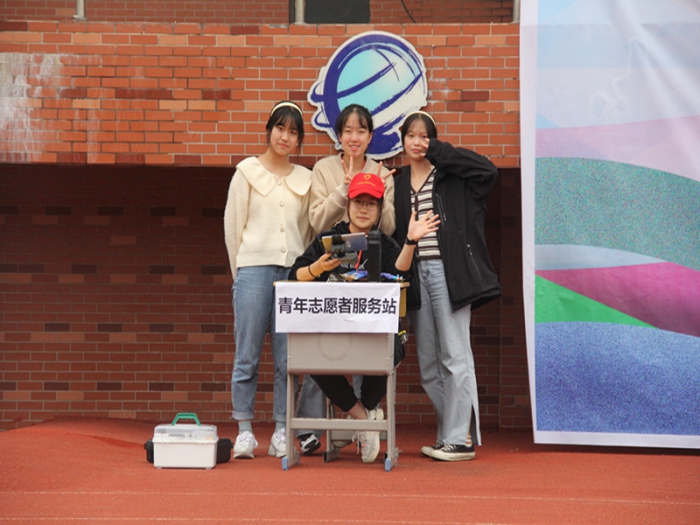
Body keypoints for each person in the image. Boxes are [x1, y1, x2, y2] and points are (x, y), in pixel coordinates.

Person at [289, 172, 440, 463]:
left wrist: (410, 241)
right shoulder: (328, 240)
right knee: (310, 356)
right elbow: (294, 275)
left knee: (390, 350)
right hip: (333, 333)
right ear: (348, 205)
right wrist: (318, 268)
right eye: (358, 202)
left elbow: (400, 274)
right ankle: (364, 419)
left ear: (380, 209)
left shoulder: (384, 243)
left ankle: (360, 417)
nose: (363, 209)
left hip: (375, 335)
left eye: (371, 204)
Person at [392, 111, 501, 462]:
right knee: (428, 366)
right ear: (402, 140)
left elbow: (488, 172)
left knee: (455, 355)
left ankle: (458, 438)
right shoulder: (398, 182)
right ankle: (453, 431)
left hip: (447, 273)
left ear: (434, 140)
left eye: (425, 136)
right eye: (411, 135)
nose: (418, 142)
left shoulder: (451, 176)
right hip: (415, 275)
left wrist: (440, 152)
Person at [294, 103, 397, 455]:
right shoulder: (324, 168)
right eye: (348, 131)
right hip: (331, 283)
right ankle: (359, 421)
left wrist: (381, 193)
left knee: (378, 350)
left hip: (370, 292)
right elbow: (318, 223)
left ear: (370, 136)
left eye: (361, 131)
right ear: (338, 135)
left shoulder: (380, 170)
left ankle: (357, 421)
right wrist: (344, 190)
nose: (354, 137)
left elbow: (388, 229)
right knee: (319, 353)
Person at [223, 101, 313, 459]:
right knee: (246, 355)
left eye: (293, 132)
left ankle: (281, 430)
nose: (285, 136)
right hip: (252, 271)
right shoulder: (246, 172)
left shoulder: (305, 179)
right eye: (280, 128)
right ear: (269, 130)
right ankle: (244, 430)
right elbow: (233, 228)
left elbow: (306, 231)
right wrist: (242, 273)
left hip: (291, 275)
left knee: (287, 359)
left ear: (299, 139)